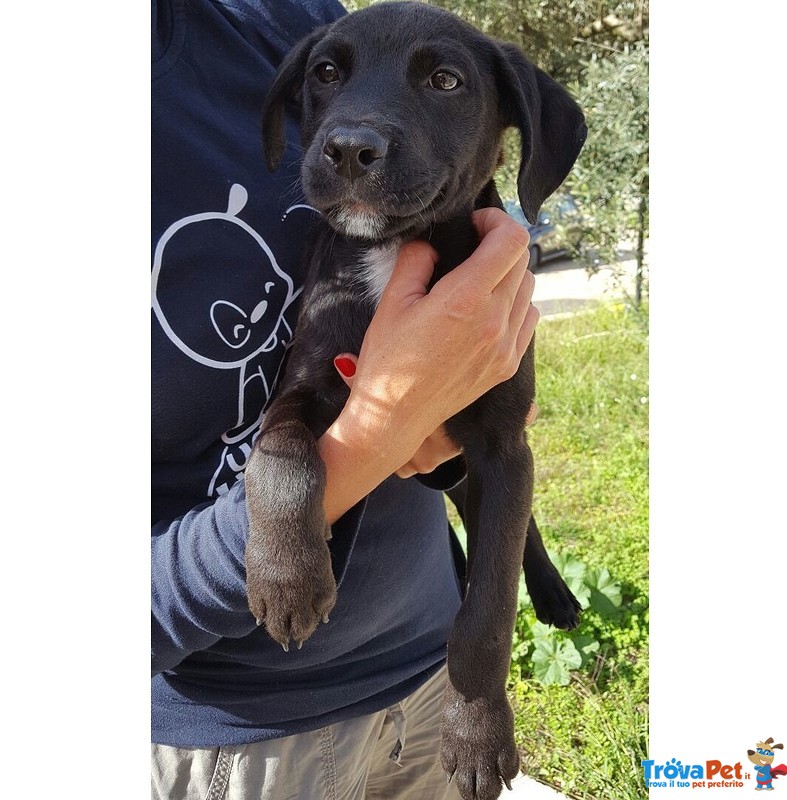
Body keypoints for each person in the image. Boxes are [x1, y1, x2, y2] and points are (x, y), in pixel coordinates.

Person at [151, 0, 539, 798]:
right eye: (329, 79)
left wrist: (478, 685)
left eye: (441, 80)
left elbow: (492, 449)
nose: (356, 131)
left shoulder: (282, 14)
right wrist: (379, 431)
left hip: (427, 676)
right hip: (242, 740)